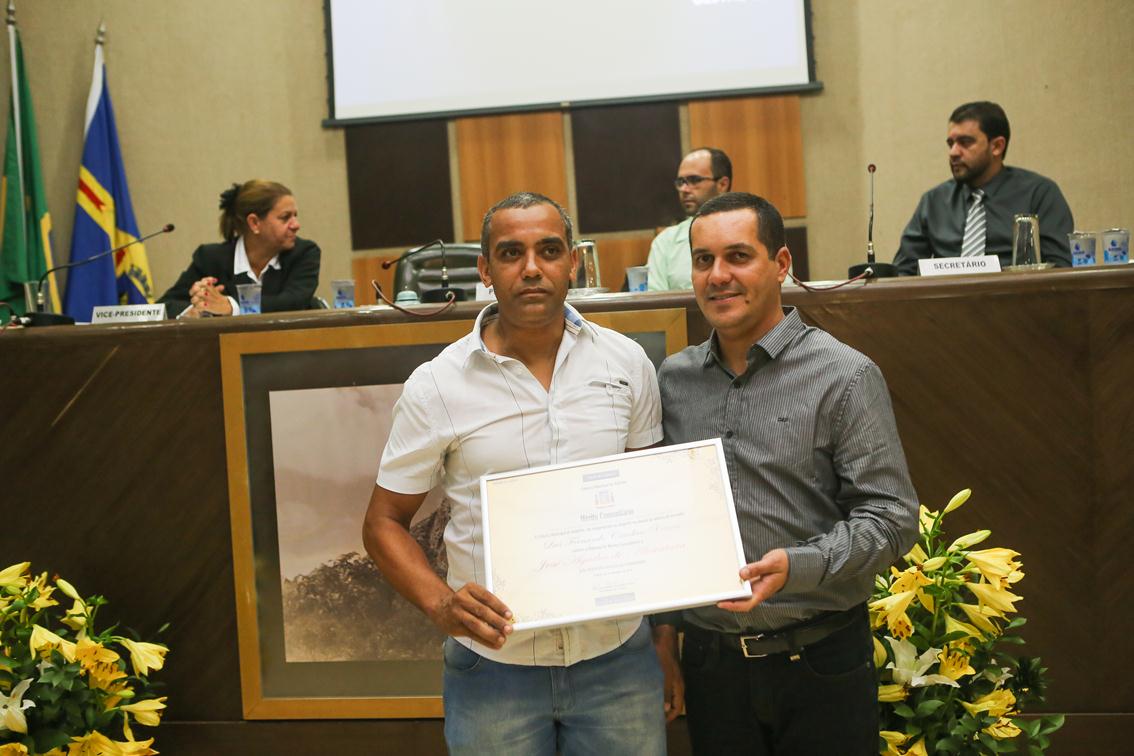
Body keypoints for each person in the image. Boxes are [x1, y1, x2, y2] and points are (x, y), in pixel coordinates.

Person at [362, 191, 668, 755]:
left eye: (548, 250)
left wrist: (665, 643)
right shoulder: (436, 385)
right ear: (485, 270)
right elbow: (383, 522)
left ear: (572, 262)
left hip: (618, 659)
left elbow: (651, 505)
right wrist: (440, 603)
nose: (531, 268)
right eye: (510, 253)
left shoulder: (626, 363)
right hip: (493, 667)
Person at [653, 192, 918, 754]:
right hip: (712, 668)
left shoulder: (844, 375)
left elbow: (892, 518)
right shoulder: (673, 381)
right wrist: (665, 638)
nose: (718, 276)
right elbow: (663, 519)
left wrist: (799, 565)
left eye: (737, 256)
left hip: (821, 661)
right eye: (703, 260)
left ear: (780, 264)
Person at [893, 101, 1073, 274]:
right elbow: (903, 271)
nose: (953, 152)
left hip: (1015, 294)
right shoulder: (934, 201)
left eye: (965, 142)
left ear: (997, 146)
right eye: (951, 143)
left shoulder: (1038, 194)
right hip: (947, 295)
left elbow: (1059, 269)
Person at [157, 180, 320, 317]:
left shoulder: (304, 253)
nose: (296, 225)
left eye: (295, 216)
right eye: (285, 217)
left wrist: (230, 306)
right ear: (254, 223)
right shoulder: (210, 258)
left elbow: (294, 302)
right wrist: (196, 307)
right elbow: (164, 306)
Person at [646, 147, 731, 291]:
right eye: (681, 182)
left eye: (694, 180)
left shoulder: (752, 229)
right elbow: (655, 301)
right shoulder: (666, 242)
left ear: (722, 184)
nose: (684, 189)